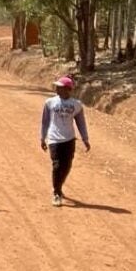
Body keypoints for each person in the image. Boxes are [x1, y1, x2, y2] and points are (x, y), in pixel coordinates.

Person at [40, 76, 91, 207]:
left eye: (60, 87)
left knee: (67, 166)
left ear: (68, 89)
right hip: (54, 139)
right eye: (57, 86)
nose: (56, 89)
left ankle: (58, 185)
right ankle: (56, 193)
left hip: (69, 139)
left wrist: (85, 138)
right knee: (57, 165)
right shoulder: (50, 102)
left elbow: (81, 123)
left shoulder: (76, 105)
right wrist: (42, 137)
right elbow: (45, 121)